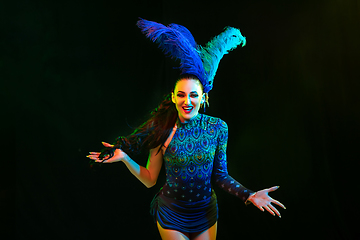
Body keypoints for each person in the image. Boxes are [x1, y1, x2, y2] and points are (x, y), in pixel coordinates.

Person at [87, 19, 286, 240]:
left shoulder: (218, 128)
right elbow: (150, 179)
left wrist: (248, 195)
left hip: (205, 213)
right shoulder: (163, 129)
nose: (187, 101)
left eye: (193, 95)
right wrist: (125, 157)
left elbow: (220, 176)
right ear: (173, 97)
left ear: (204, 97)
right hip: (171, 214)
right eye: (181, 95)